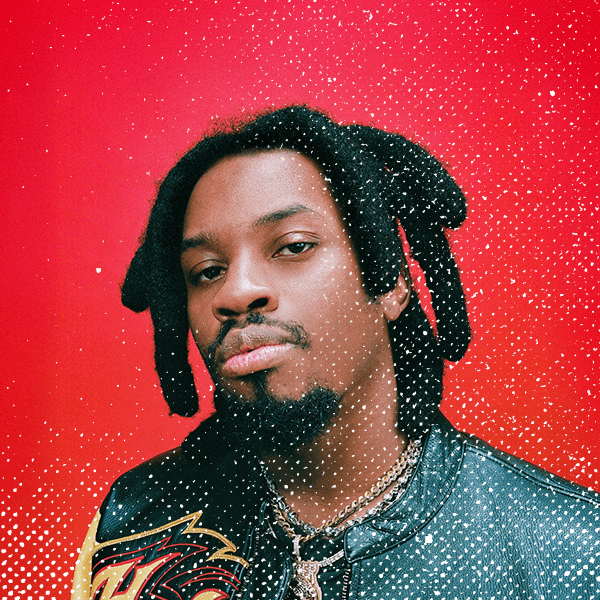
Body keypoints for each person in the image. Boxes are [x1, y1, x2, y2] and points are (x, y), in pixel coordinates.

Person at [71, 106, 599, 600]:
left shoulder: (571, 556)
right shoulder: (132, 526)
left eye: (293, 246)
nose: (235, 292)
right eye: (207, 271)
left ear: (389, 282)